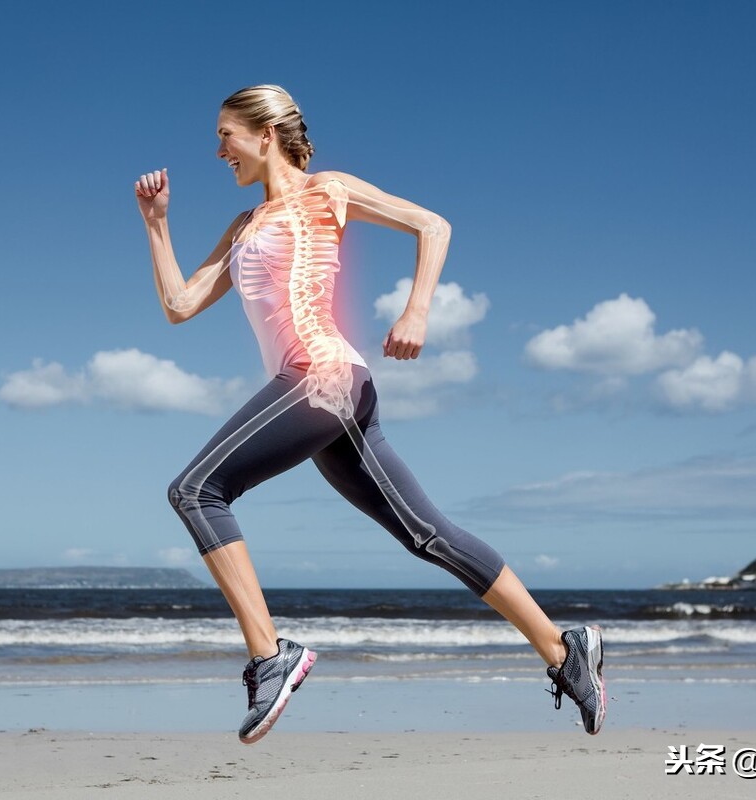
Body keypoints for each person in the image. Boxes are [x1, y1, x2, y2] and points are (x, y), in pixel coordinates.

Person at [134, 84, 605, 744]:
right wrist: (156, 225)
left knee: (196, 490)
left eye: (226, 136)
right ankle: (565, 650)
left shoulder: (328, 190)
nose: (218, 151)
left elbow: (433, 225)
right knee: (427, 534)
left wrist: (416, 310)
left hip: (323, 376)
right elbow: (179, 305)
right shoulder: (242, 227)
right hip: (325, 396)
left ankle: (272, 656)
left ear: (264, 135)